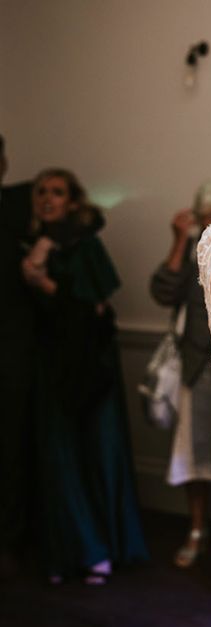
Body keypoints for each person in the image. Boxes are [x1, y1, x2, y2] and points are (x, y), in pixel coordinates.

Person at [20, 168, 148, 584]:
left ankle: (103, 549)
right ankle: (71, 553)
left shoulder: (84, 245)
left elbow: (93, 309)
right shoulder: (29, 246)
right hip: (49, 364)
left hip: (91, 365)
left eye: (56, 192)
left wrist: (44, 284)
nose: (47, 198)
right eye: (41, 191)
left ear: (73, 201)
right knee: (60, 461)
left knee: (100, 453)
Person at [150, 181, 211, 568]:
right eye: (210, 214)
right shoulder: (194, 249)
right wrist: (179, 240)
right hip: (197, 369)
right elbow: (162, 292)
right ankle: (197, 530)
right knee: (195, 454)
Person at [0, 136, 35, 580]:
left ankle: (9, 542)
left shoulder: (16, 205)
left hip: (12, 351)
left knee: (10, 450)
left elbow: (90, 214)